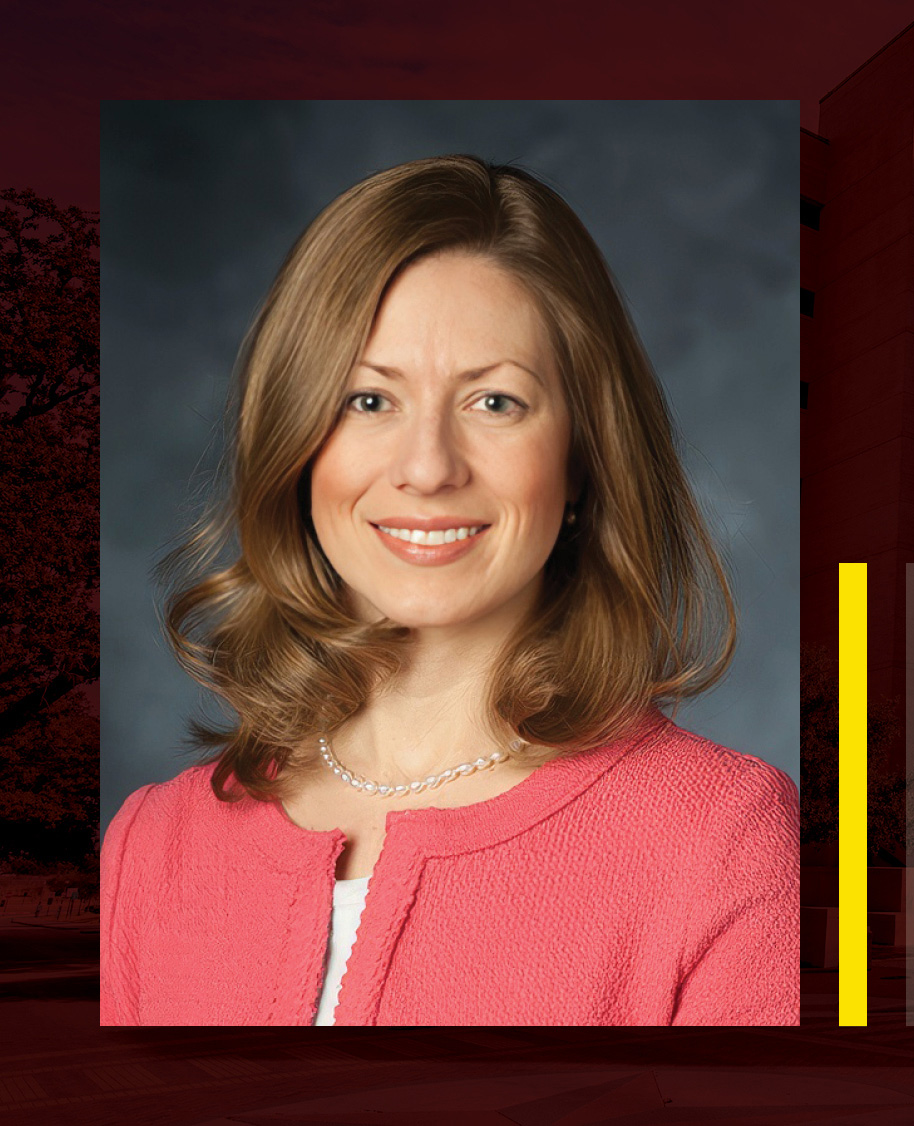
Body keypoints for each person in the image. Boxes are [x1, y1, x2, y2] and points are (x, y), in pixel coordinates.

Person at [99, 156, 798, 1026]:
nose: (428, 468)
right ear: (296, 441)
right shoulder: (150, 846)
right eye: (367, 399)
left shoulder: (719, 836)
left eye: (496, 402)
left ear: (581, 457)